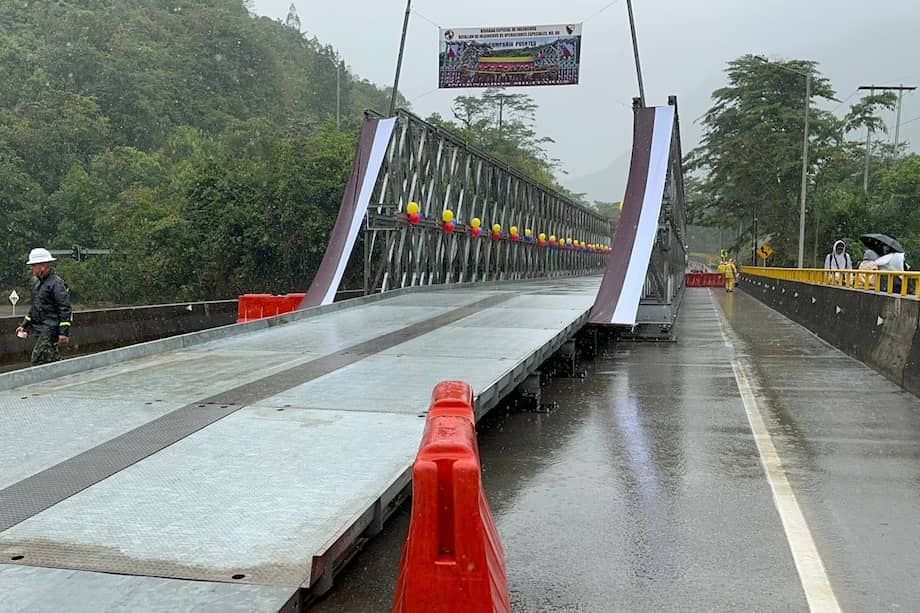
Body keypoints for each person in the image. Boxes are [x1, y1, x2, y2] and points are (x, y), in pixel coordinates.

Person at [15, 248, 73, 366]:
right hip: (40, 329)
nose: (31, 268)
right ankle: (64, 373)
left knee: (38, 360)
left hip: (50, 330)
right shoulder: (36, 283)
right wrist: (25, 325)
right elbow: (35, 308)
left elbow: (64, 309)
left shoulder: (56, 283)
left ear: (43, 266)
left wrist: (63, 333)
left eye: (33, 265)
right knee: (49, 360)